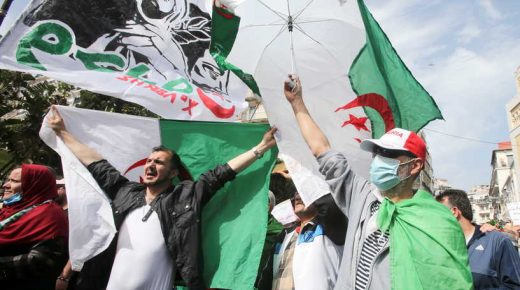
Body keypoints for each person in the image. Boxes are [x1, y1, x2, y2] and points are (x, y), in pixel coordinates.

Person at [47, 106, 277, 290]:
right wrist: (62, 132)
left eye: (158, 162)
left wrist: (261, 147)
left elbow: (222, 173)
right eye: (149, 161)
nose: (150, 165)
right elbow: (96, 163)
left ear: (174, 172)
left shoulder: (186, 196)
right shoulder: (125, 192)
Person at [283, 76, 473, 290]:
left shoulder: (437, 220)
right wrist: (297, 103)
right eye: (376, 152)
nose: (378, 159)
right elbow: (322, 149)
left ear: (415, 166)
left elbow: (448, 281)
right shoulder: (361, 196)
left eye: (388, 154)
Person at [0, 164, 68, 290]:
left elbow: (40, 260)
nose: (6, 185)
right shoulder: (11, 209)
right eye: (8, 180)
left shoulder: (50, 215)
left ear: (35, 185)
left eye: (14, 181)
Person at [437, 189, 520, 289]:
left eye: (438, 212)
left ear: (454, 212)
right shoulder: (441, 248)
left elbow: (514, 286)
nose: (434, 219)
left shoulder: (497, 241)